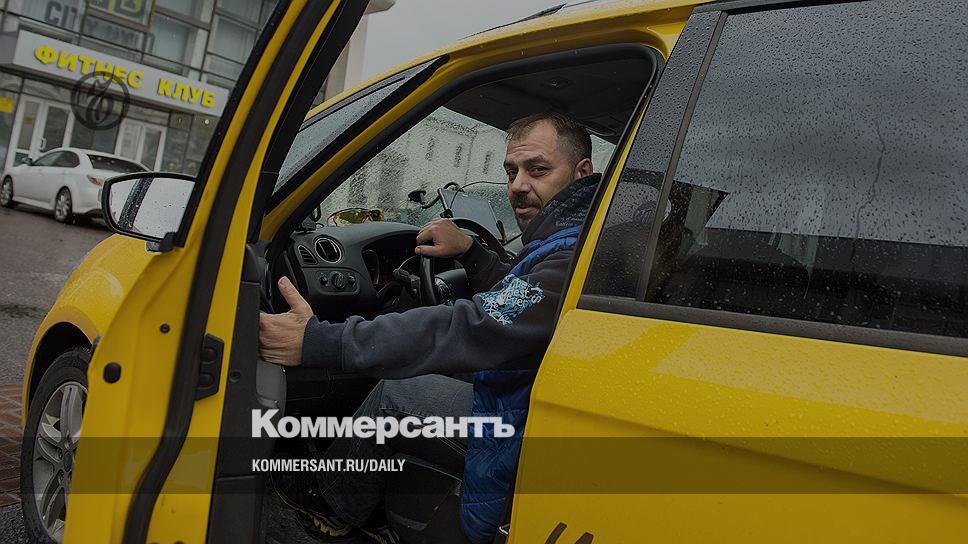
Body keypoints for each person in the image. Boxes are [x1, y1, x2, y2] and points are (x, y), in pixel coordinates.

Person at [259, 112, 600, 543]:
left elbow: (472, 327)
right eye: (511, 172)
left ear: (581, 172)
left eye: (537, 170)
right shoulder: (580, 238)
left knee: (395, 394)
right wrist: (471, 252)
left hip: (524, 422)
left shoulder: (570, 254)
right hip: (530, 394)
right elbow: (519, 300)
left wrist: (319, 341)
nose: (517, 185)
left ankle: (331, 503)